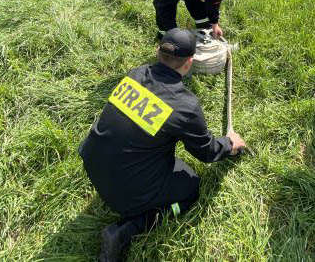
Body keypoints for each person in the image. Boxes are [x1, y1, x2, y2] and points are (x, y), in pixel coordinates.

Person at [79, 28, 245, 262]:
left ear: (158, 52)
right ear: (189, 63)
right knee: (190, 188)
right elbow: (206, 152)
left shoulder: (135, 73)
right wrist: (230, 144)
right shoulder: (185, 106)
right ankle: (129, 229)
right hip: (125, 192)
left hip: (92, 164)